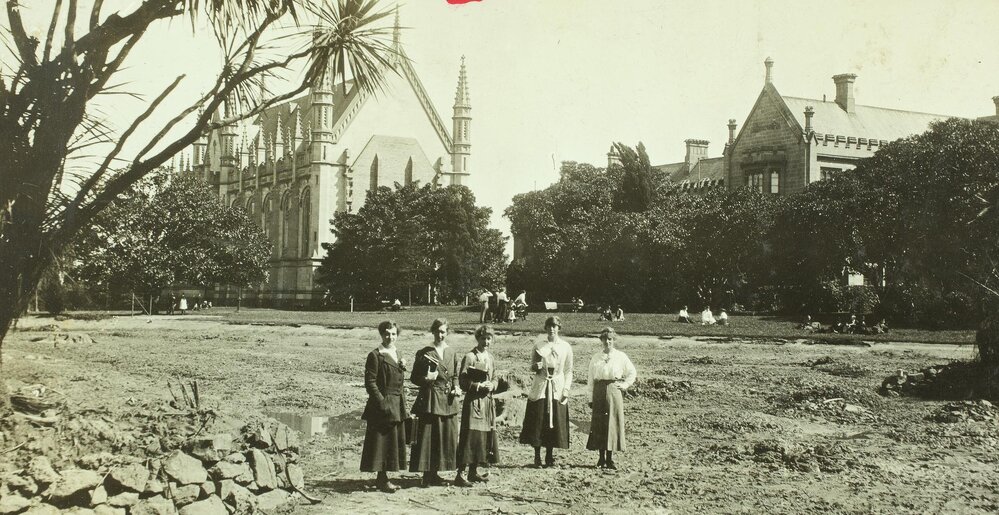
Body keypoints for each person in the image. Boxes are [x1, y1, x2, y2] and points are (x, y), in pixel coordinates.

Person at [410, 318, 462, 487]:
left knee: (444, 436)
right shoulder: (424, 353)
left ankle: (435, 472)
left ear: (447, 333)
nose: (440, 335)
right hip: (430, 398)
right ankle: (426, 474)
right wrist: (426, 379)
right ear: (432, 331)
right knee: (428, 436)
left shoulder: (452, 352)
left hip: (447, 399)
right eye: (437, 331)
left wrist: (456, 387)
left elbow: (455, 375)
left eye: (443, 332)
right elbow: (414, 378)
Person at [360, 321, 410, 492]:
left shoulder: (397, 352)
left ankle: (385, 477)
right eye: (387, 334)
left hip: (397, 402)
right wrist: (381, 402)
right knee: (381, 442)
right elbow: (370, 382)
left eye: (394, 334)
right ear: (381, 334)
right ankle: (382, 479)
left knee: (392, 441)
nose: (390, 337)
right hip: (382, 405)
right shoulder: (375, 355)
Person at [519, 316, 573, 468]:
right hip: (542, 385)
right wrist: (535, 367)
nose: (552, 329)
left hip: (556, 385)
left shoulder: (565, 347)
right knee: (538, 420)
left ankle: (549, 455)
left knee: (553, 421)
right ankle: (537, 456)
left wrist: (566, 389)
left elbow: (568, 370)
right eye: (549, 326)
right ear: (545, 328)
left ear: (559, 328)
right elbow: (533, 366)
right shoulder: (539, 345)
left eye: (555, 326)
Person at [454, 325, 500, 486]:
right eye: (483, 338)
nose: (486, 342)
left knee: (481, 438)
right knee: (470, 436)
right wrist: (478, 386)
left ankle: (473, 471)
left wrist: (492, 385)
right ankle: (460, 473)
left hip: (487, 402)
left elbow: (495, 377)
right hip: (474, 402)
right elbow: (463, 380)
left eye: (489, 338)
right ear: (477, 339)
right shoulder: (470, 357)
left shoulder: (491, 358)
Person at [586, 327, 637, 470]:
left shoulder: (621, 356)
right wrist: (590, 397)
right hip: (599, 391)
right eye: (605, 339)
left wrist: (625, 385)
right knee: (600, 424)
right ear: (601, 340)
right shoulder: (596, 357)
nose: (607, 342)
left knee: (612, 424)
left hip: (614, 391)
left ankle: (610, 458)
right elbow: (590, 379)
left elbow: (632, 372)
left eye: (610, 339)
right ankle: (600, 458)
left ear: (613, 340)